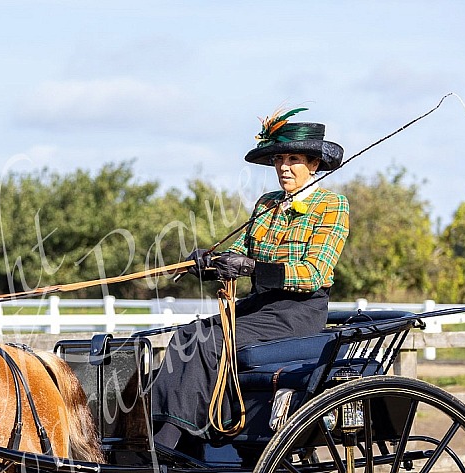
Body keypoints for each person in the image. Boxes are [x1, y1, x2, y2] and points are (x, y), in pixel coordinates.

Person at [150, 108, 350, 450]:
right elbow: (240, 252)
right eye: (279, 159)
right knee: (188, 334)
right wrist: (207, 263)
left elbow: (315, 273)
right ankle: (174, 426)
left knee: (210, 343)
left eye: (294, 159)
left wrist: (255, 269)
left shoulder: (332, 205)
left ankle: (171, 439)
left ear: (314, 164)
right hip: (259, 307)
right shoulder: (267, 204)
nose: (284, 167)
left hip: (297, 313)